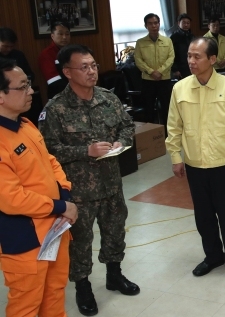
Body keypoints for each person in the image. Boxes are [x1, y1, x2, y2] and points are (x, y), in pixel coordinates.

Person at [38, 44, 139, 316]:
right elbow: (47, 151)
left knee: (115, 232)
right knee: (80, 243)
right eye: (84, 67)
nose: (92, 71)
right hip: (79, 192)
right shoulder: (55, 109)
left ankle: (114, 275)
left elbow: (127, 126)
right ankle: (83, 287)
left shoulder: (108, 98)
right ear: (67, 72)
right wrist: (86, 151)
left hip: (111, 185)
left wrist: (122, 141)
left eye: (93, 65)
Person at [165, 37, 225, 285]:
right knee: (203, 216)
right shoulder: (180, 88)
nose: (191, 61)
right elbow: (174, 126)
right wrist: (175, 156)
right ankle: (212, 256)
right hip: (194, 164)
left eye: (197, 56)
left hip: (223, 163)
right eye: (189, 56)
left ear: (212, 59)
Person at [0, 58, 77, 317]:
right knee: (26, 305)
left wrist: (64, 194)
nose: (31, 91)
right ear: (1, 95)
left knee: (55, 293)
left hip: (54, 229)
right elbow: (11, 198)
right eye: (22, 87)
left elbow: (51, 162)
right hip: (24, 238)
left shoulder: (26, 125)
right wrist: (61, 205)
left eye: (29, 84)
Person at [134, 13, 175, 125]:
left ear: (159, 24)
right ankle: (150, 136)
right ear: (145, 25)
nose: (154, 26)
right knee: (149, 110)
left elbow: (171, 58)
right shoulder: (140, 42)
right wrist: (152, 72)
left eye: (156, 23)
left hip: (164, 80)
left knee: (167, 109)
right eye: (150, 23)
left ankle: (168, 136)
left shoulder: (167, 41)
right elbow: (138, 60)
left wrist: (160, 71)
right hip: (148, 81)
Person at [38, 21, 70, 100]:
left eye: (67, 34)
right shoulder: (46, 54)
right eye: (60, 34)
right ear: (52, 36)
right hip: (58, 97)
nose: (64, 37)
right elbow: (54, 82)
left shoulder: (72, 51)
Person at [170, 13, 194, 79]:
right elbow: (171, 54)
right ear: (178, 23)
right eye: (183, 23)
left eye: (188, 23)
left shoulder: (192, 36)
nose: (186, 25)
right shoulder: (174, 37)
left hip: (191, 66)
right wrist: (175, 69)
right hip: (180, 69)